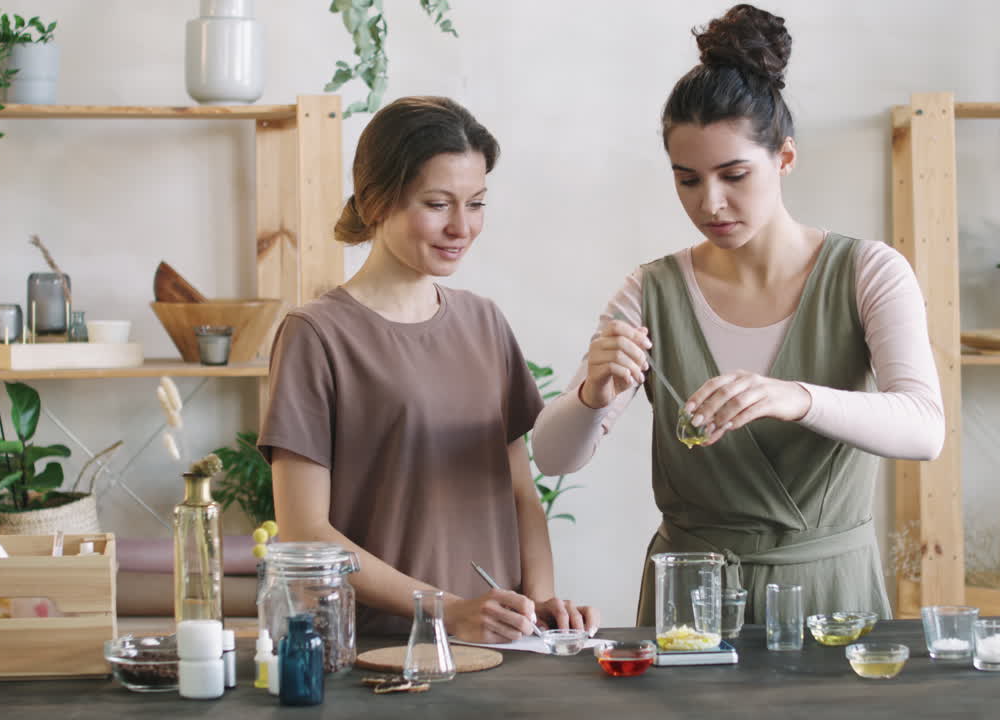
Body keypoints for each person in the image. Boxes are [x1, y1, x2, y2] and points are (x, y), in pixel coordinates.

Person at [532, 4, 944, 623]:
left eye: (734, 175)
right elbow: (555, 457)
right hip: (689, 601)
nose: (712, 203)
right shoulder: (649, 290)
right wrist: (593, 394)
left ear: (785, 157)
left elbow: (924, 429)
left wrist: (794, 397)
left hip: (829, 598)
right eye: (688, 180)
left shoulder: (868, 272)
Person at [259, 96, 598, 641]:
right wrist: (445, 609)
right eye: (438, 204)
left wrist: (540, 604)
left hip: (500, 647)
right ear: (377, 201)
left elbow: (520, 494)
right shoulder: (316, 335)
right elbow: (305, 531)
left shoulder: (485, 323)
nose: (461, 227)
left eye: (477, 203)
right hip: (382, 651)